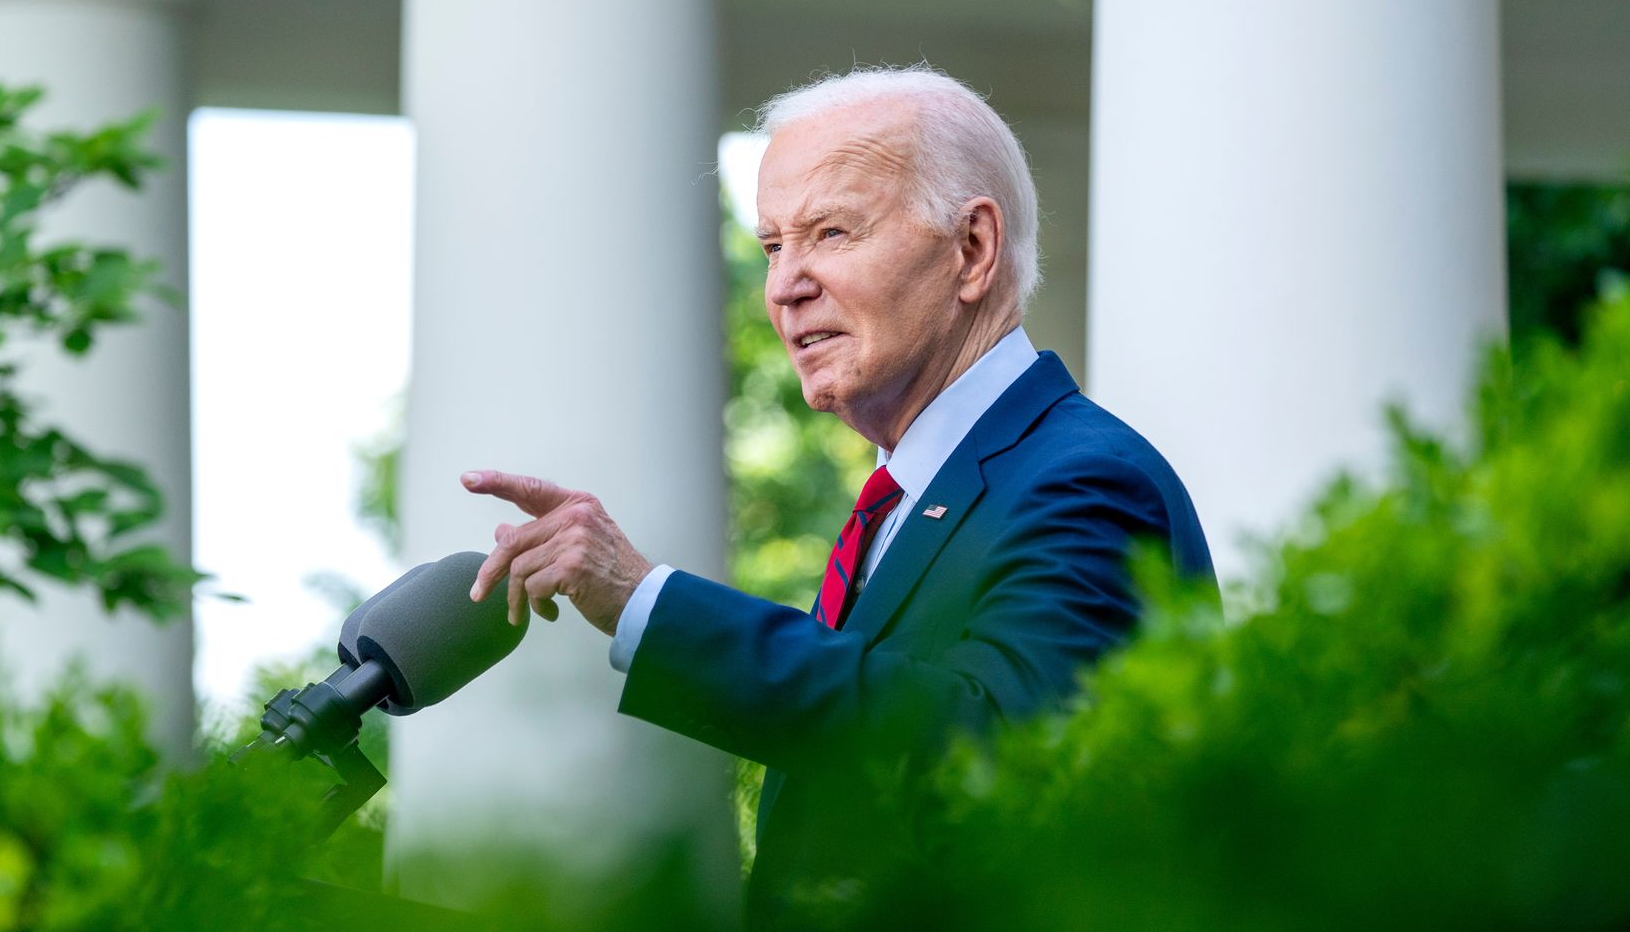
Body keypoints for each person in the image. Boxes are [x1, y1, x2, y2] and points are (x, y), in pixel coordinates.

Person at [461, 64, 1213, 914]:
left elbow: (992, 755)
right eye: (773, 246)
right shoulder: (910, 498)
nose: (783, 286)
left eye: (830, 233)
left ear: (972, 250)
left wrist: (645, 601)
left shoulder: (1083, 478)